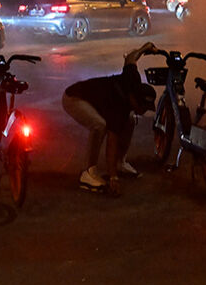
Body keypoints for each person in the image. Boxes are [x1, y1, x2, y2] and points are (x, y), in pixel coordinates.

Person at [61, 41, 159, 196]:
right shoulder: (118, 106)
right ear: (135, 100)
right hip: (74, 98)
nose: (143, 111)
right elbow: (111, 144)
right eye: (143, 107)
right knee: (99, 125)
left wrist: (145, 48)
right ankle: (89, 172)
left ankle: (121, 163)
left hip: (92, 98)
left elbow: (131, 58)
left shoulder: (132, 78)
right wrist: (113, 178)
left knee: (131, 119)